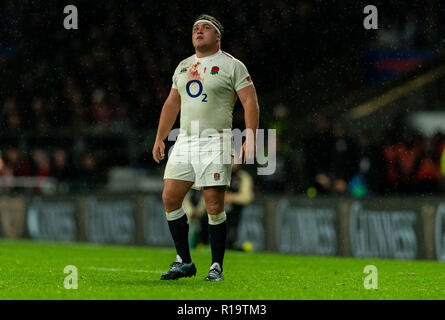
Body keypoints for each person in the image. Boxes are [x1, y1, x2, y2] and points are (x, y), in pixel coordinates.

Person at [152, 14, 259, 281]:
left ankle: (216, 266)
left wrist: (251, 137)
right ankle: (184, 261)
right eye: (195, 28)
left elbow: (250, 102)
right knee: (170, 198)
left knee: (213, 203)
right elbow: (171, 104)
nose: (199, 31)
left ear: (217, 36)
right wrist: (160, 138)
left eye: (205, 28)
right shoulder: (184, 66)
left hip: (216, 140)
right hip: (185, 140)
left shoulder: (232, 65)